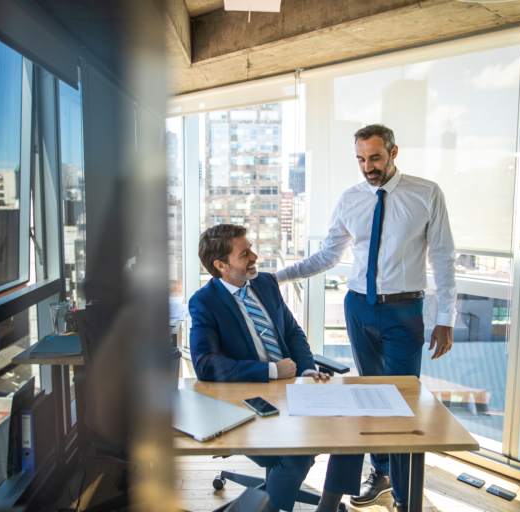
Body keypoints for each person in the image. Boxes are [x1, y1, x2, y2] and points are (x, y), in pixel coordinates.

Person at [273, 124, 457, 512]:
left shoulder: (426, 194)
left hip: (404, 311)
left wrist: (446, 317)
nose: (368, 166)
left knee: (402, 401)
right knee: (370, 397)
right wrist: (278, 277)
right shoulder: (350, 199)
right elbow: (328, 256)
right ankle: (382, 474)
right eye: (360, 158)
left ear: (393, 152)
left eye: (374, 157)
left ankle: (407, 498)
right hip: (359, 307)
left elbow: (443, 258)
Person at [189, 224, 364, 512]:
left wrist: (306, 370)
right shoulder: (204, 303)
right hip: (249, 400)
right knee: (297, 454)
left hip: (294, 390)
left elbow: (293, 333)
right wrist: (271, 371)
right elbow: (205, 365)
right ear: (221, 265)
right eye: (244, 254)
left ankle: (328, 506)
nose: (254, 256)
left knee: (351, 426)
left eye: (251, 249)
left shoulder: (266, 284)